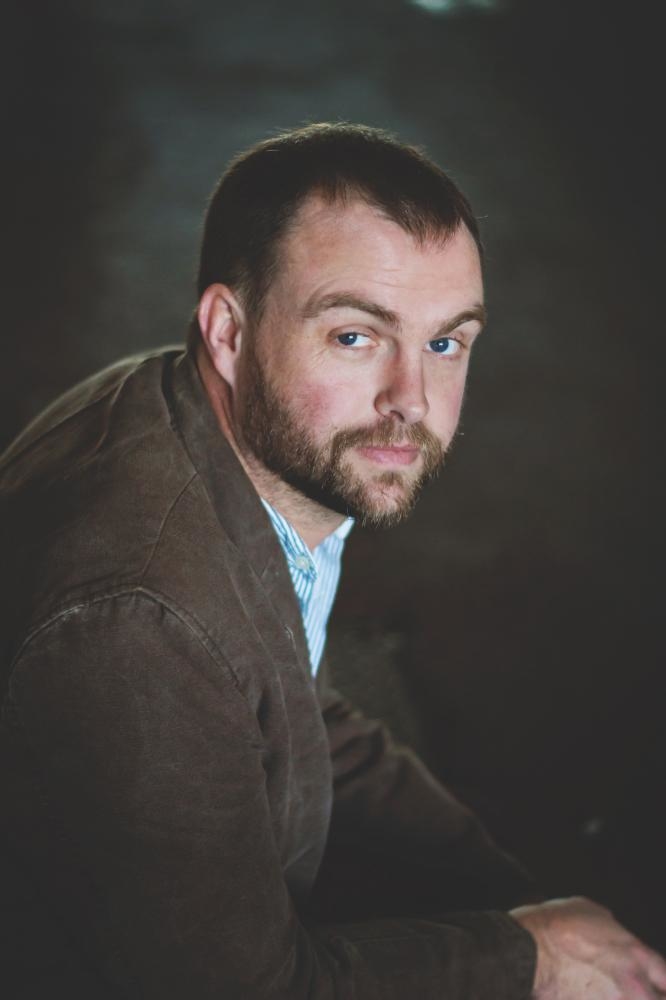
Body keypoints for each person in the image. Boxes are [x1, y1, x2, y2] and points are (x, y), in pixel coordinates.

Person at [0, 123, 664, 999]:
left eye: (446, 342)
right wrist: (529, 959)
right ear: (229, 331)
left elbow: (298, 706)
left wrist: (513, 898)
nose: (411, 401)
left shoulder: (227, 437)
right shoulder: (140, 624)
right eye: (355, 336)